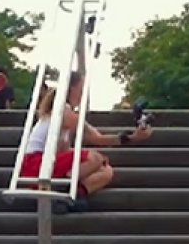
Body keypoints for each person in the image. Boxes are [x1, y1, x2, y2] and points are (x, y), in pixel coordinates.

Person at [20, 71, 152, 212]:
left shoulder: (67, 114)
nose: (84, 92)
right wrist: (129, 137)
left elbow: (96, 138)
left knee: (106, 171)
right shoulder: (62, 110)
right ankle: (60, 192)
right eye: (81, 87)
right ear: (71, 88)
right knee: (94, 157)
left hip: (48, 163)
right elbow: (94, 138)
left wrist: (131, 138)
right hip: (35, 163)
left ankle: (74, 196)